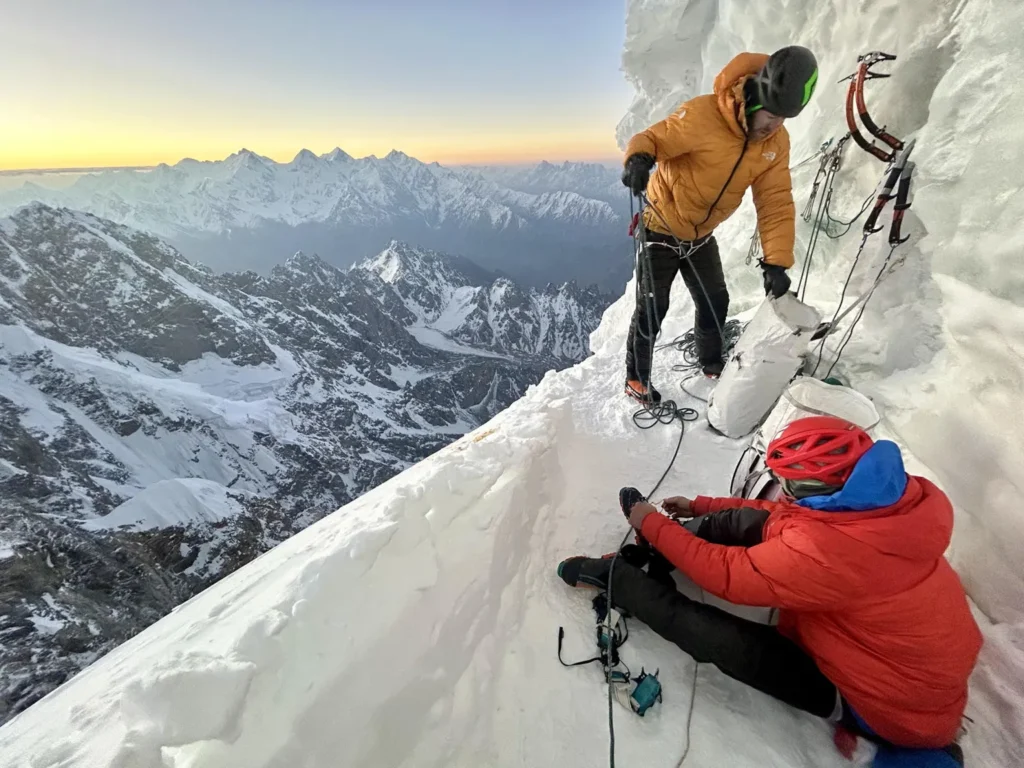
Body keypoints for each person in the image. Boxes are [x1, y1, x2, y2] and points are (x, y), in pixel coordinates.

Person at [557, 417, 982, 766]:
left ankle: (617, 578)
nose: (784, 492)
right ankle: (660, 549)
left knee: (717, 637)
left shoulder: (829, 552)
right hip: (906, 671)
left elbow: (721, 572)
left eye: (791, 484)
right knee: (751, 525)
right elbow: (778, 515)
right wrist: (701, 507)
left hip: (883, 706)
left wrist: (649, 520)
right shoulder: (885, 505)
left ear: (821, 489)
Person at [621, 46, 818, 403]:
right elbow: (653, 139)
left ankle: (711, 362)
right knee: (653, 307)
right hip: (660, 228)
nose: (775, 125)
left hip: (700, 237)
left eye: (784, 119)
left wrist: (777, 262)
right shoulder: (702, 116)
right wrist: (638, 158)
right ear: (756, 99)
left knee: (715, 300)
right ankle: (636, 379)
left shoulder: (775, 143)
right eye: (772, 115)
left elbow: (774, 202)